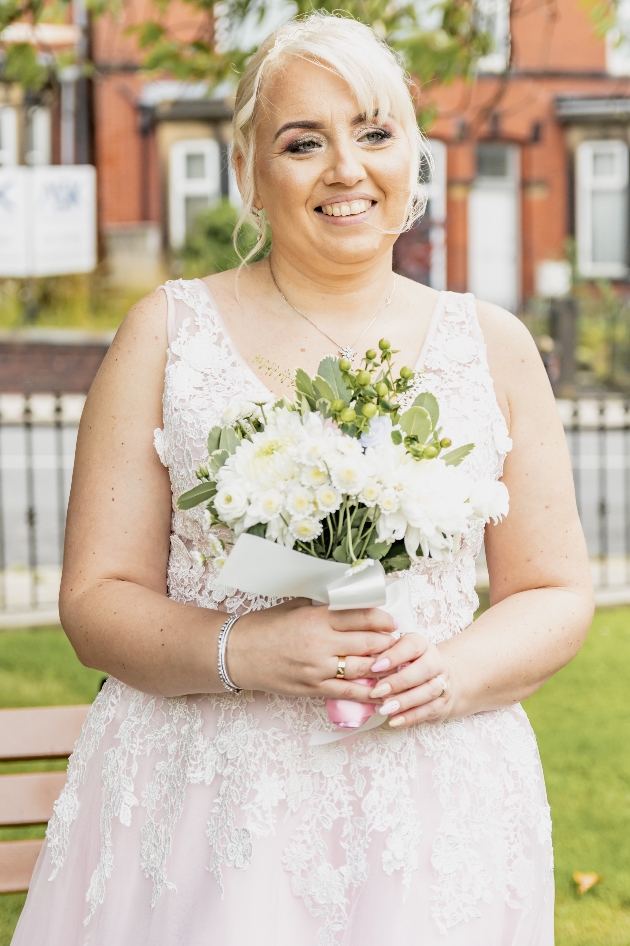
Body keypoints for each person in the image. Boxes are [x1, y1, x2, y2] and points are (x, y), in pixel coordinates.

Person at [12, 13, 593, 946]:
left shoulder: (494, 346)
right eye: (302, 141)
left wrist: (447, 673)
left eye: (374, 131)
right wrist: (241, 651)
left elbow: (557, 590)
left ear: (416, 156)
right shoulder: (165, 337)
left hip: (436, 806)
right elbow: (94, 599)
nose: (345, 169)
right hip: (208, 798)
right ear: (249, 171)